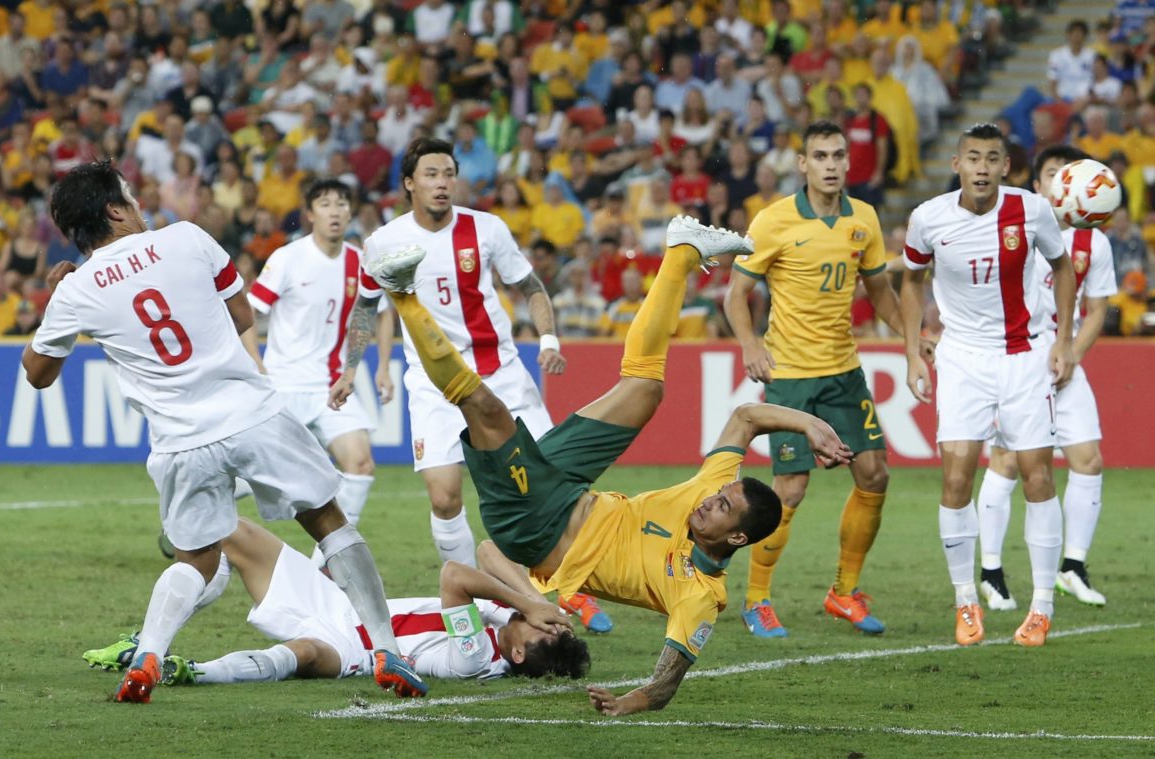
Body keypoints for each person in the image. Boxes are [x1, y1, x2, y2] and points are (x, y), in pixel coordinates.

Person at [340, 214, 852, 715]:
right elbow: (746, 416)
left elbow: (667, 678)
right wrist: (808, 423)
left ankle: (402, 293)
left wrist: (630, 701)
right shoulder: (711, 489)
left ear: (736, 537)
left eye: (722, 507)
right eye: (721, 493)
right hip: (571, 486)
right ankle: (682, 251)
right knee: (644, 390)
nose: (710, 498)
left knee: (486, 409)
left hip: (536, 526)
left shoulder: (698, 594)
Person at [22, 162, 427, 703]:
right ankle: (385, 651)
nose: (139, 205)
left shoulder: (78, 289)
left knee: (196, 557)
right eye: (130, 197)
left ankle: (149, 654)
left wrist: (63, 301)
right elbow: (240, 315)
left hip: (178, 440)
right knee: (328, 520)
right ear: (115, 211)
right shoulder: (186, 238)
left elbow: (38, 373)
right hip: (249, 412)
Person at [331, 138, 612, 634]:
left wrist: (547, 338)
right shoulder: (383, 242)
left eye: (449, 173)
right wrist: (351, 368)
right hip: (433, 385)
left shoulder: (487, 229)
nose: (442, 182)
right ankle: (480, 605)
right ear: (409, 183)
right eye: (432, 174)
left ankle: (571, 588)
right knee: (443, 497)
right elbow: (365, 308)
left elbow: (531, 287)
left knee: (551, 491)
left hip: (500, 374)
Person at [725, 120, 905, 639]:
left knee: (874, 475)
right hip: (791, 377)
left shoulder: (864, 220)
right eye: (820, 156)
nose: (830, 165)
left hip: (844, 372)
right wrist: (750, 344)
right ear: (802, 164)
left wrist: (912, 338)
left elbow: (881, 291)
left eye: (838, 155)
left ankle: (843, 593)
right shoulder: (774, 220)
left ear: (849, 162)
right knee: (790, 488)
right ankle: (757, 600)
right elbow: (735, 295)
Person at [900, 123, 1078, 648]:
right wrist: (913, 349)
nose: (982, 167)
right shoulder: (928, 218)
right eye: (972, 157)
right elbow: (910, 280)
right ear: (956, 165)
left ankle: (1041, 607)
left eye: (992, 158)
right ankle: (966, 601)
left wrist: (1062, 340)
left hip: (1024, 356)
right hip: (961, 358)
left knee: (1037, 476)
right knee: (956, 478)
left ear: (1006, 167)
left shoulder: (1032, 210)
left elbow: (1063, 268)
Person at [83, 518, 589, 685]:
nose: (542, 621)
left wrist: (527, 603)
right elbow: (488, 549)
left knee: (301, 655)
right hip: (343, 604)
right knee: (225, 529)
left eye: (547, 632)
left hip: (356, 649)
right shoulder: (510, 618)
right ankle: (150, 639)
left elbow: (456, 574)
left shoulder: (478, 652)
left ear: (519, 653)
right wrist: (532, 600)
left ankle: (186, 669)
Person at [976, 146, 1117, 609]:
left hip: (1065, 362)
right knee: (1009, 462)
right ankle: (991, 572)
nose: (1065, 185)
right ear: (1038, 186)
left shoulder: (1092, 242)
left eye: (1072, 176)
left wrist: (1071, 354)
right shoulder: (1011, 231)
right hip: (1018, 362)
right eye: (1055, 176)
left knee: (1089, 460)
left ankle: (1072, 567)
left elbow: (1096, 309)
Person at [241, 178, 394, 564]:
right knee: (257, 475)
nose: (335, 211)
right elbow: (245, 313)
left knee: (360, 464)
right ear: (310, 214)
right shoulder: (288, 258)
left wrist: (383, 368)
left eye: (342, 203)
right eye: (326, 204)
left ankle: (323, 563)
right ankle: (200, 510)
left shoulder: (360, 262)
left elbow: (384, 312)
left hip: (331, 387)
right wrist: (256, 365)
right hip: (283, 386)